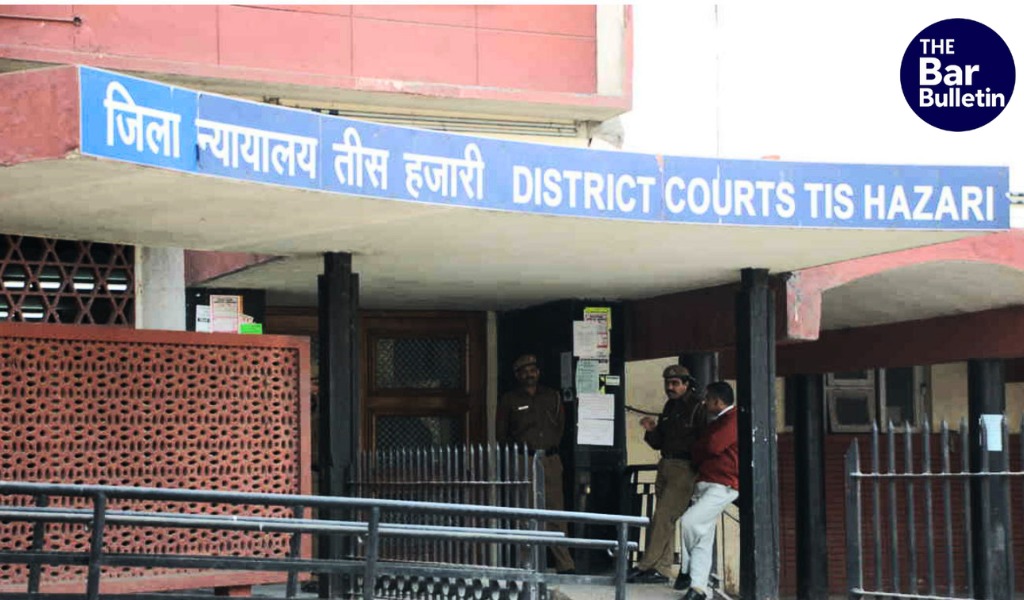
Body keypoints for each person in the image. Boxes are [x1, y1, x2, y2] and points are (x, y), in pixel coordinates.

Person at [495, 353, 575, 574]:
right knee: (525, 512)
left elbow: (560, 426)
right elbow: (501, 434)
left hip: (550, 459)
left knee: (556, 512)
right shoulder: (509, 400)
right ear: (518, 375)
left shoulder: (552, 396)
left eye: (532, 370)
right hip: (524, 460)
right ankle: (527, 563)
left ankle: (564, 564)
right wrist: (519, 455)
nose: (529, 375)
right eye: (524, 372)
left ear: (538, 372)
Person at [627, 364, 706, 585]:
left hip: (685, 467)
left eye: (675, 383)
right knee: (665, 520)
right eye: (667, 383)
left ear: (686, 384)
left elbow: (705, 442)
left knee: (663, 517)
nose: (670, 387)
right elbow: (659, 442)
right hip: (665, 463)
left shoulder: (698, 407)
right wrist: (651, 430)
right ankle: (661, 569)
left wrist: (697, 470)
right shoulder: (670, 406)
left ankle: (645, 565)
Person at [677, 381, 739, 600]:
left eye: (708, 398)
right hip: (708, 482)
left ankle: (686, 568)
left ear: (717, 401)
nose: (704, 402)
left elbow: (712, 445)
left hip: (722, 484)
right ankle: (698, 588)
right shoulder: (720, 421)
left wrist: (701, 448)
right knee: (703, 536)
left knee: (689, 522)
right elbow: (703, 447)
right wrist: (702, 448)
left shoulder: (733, 419)